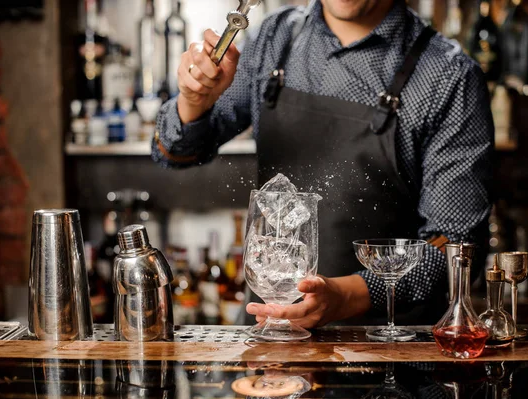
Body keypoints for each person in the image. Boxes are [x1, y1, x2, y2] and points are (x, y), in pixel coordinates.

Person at [152, 0, 494, 327]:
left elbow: (457, 249)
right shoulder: (274, 38)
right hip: (271, 338)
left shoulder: (449, 76)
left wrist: (345, 297)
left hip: (387, 347)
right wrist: (193, 101)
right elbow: (176, 153)